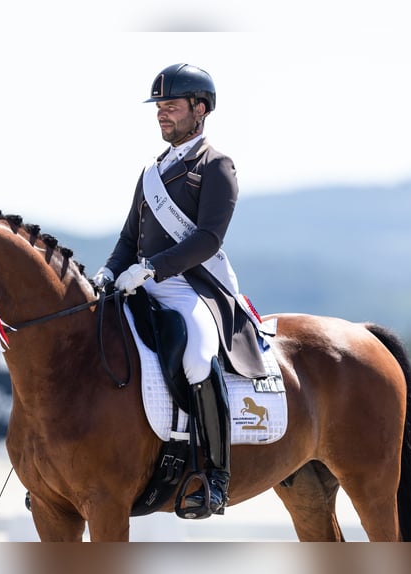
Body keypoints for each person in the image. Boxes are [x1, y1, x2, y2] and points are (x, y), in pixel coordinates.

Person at [92, 63, 267, 517]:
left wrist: (151, 269)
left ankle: (216, 476)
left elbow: (209, 238)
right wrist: (109, 274)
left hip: (193, 289)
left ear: (200, 109)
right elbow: (128, 239)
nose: (161, 114)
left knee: (196, 357)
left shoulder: (216, 166)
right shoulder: (151, 172)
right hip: (143, 285)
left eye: (170, 105)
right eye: (159, 106)